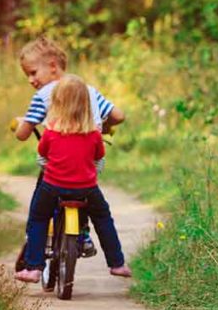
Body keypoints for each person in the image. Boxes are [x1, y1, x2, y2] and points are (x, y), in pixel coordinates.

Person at [13, 36, 125, 256]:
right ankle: (83, 235)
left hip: (58, 165)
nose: (30, 80)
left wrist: (18, 124)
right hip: (88, 162)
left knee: (41, 199)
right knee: (87, 194)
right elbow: (119, 116)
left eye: (33, 72)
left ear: (53, 66)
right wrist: (103, 126)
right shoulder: (87, 91)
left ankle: (39, 240)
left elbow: (23, 134)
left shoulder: (43, 95)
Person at [15, 74, 132, 282]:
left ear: (56, 105)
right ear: (87, 105)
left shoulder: (50, 133)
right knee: (103, 218)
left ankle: (33, 267)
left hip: (52, 187)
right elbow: (98, 158)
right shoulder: (94, 135)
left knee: (38, 218)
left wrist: (50, 167)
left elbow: (42, 157)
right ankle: (117, 263)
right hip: (86, 189)